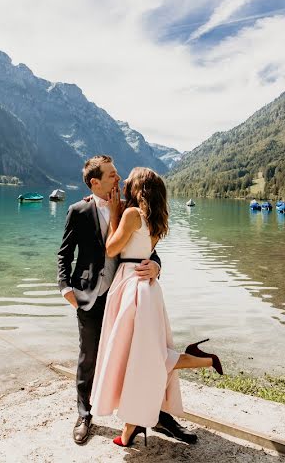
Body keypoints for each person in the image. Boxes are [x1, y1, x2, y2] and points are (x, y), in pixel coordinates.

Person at [57, 155, 199, 445]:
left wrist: (156, 267)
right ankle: (85, 415)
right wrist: (66, 290)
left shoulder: (130, 209)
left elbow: (147, 249)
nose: (118, 179)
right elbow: (64, 253)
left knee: (143, 356)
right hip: (91, 297)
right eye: (111, 175)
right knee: (89, 359)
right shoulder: (78, 210)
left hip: (128, 296)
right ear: (95, 182)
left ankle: (156, 415)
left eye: (119, 174)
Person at [90, 167, 223, 447]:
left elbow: (112, 249)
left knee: (134, 355)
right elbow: (146, 252)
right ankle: (133, 425)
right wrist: (156, 265)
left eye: (129, 180)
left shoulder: (130, 214)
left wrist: (114, 214)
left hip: (130, 285)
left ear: (138, 187)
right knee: (145, 355)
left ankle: (133, 424)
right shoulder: (156, 219)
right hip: (149, 289)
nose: (123, 182)